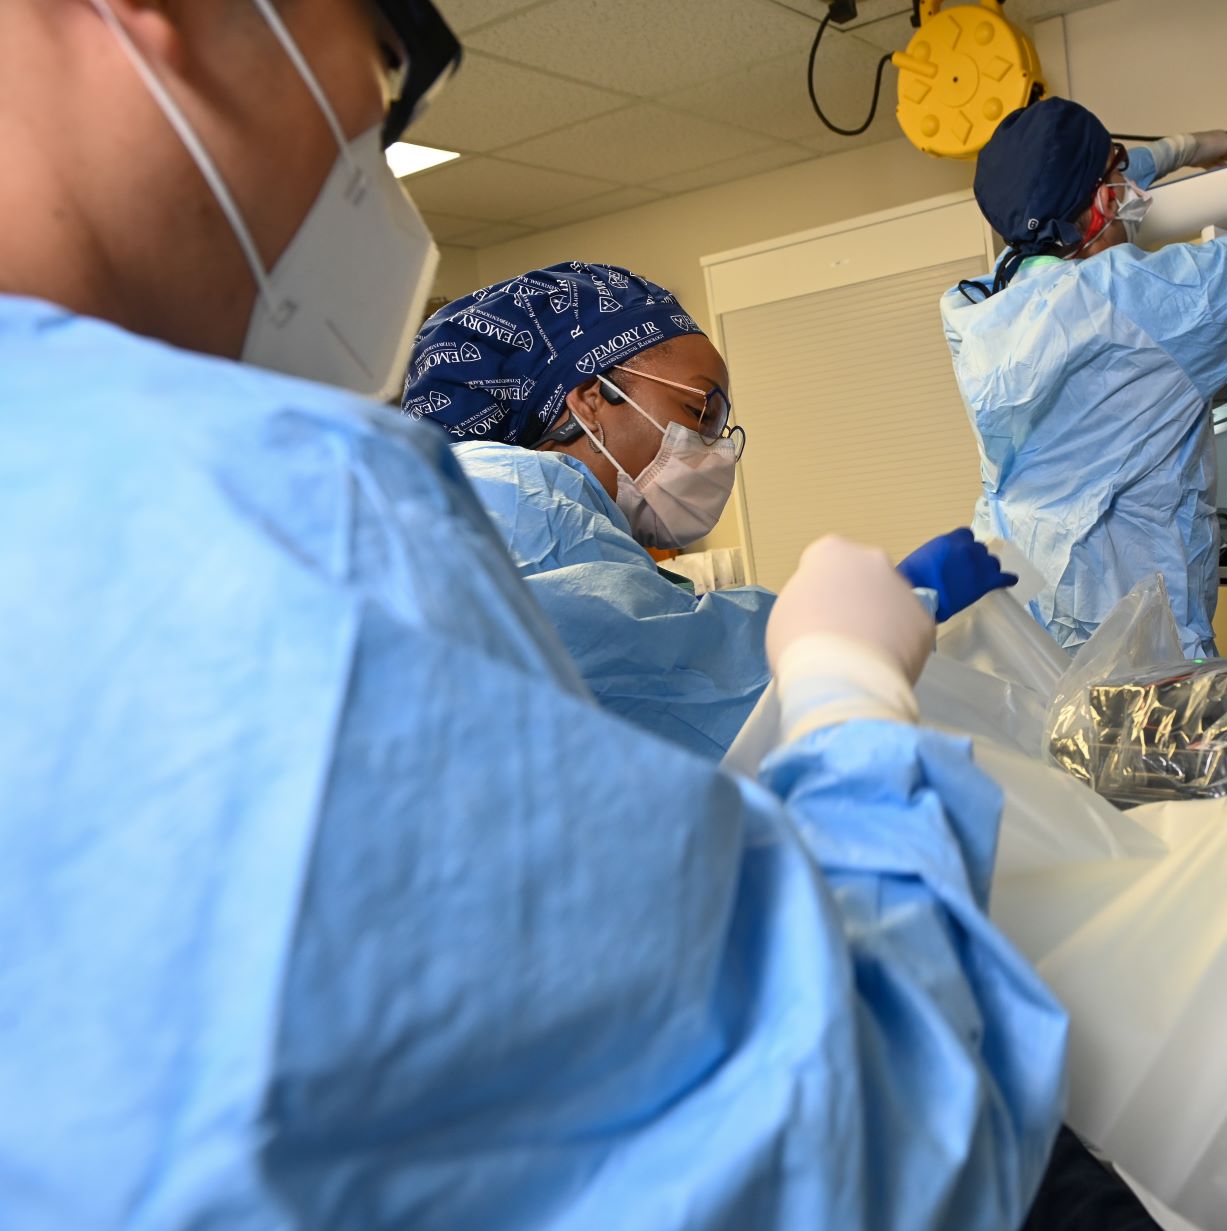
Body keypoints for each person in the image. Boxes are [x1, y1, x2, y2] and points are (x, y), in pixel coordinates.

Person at [0, 1, 1067, 1227]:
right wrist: (847, 689)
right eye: (393, 60)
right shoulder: (315, 514)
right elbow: (862, 1156)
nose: (370, 126)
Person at [402, 264, 1017, 759]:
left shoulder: (474, 503)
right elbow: (717, 694)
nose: (717, 449)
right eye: (702, 412)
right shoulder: (520, 507)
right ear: (592, 400)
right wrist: (880, 613)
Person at [942, 71, 1227, 659]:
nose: (1129, 187)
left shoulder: (974, 310)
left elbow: (1061, 191)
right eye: (1116, 176)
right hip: (1144, 656)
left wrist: (1193, 147)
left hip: (1027, 631)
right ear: (1100, 202)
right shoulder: (1141, 301)